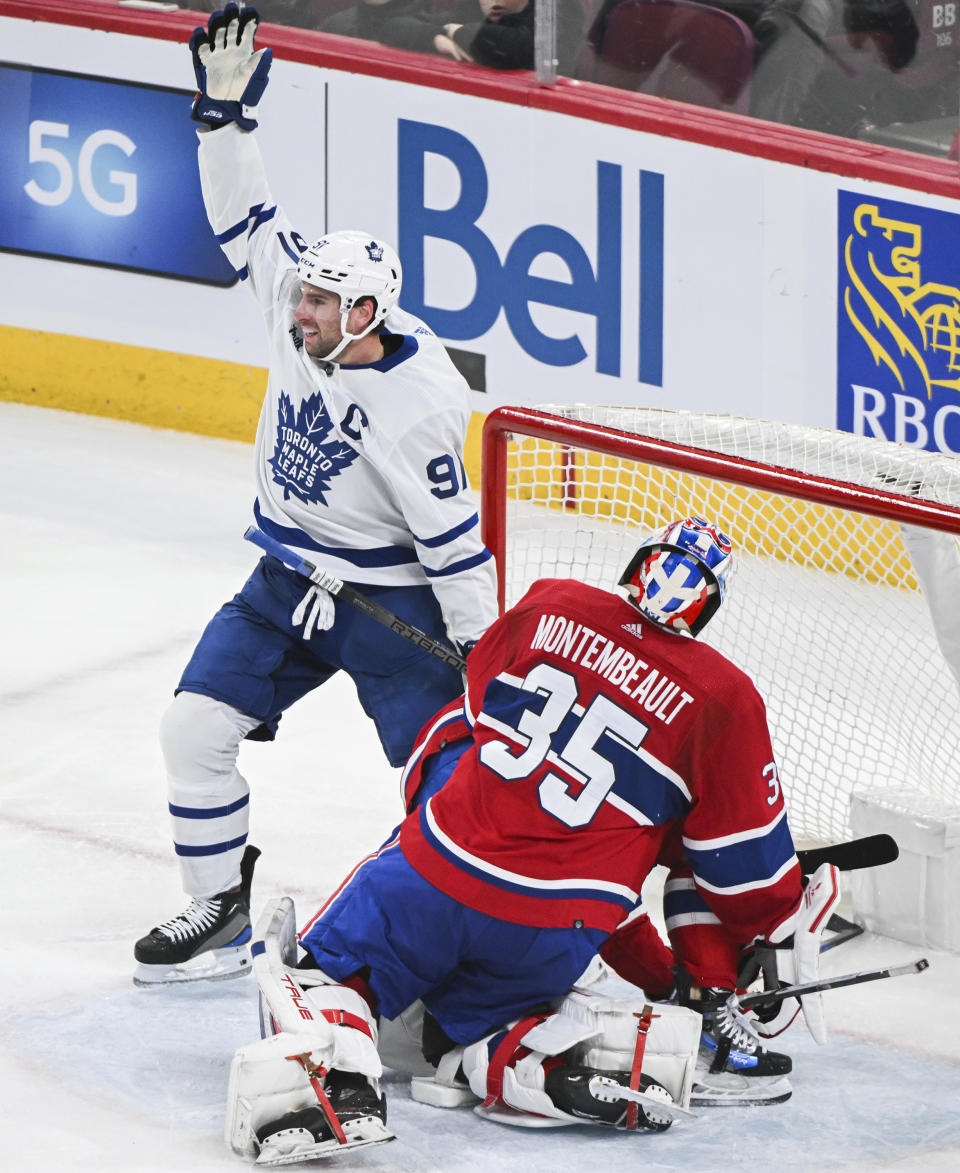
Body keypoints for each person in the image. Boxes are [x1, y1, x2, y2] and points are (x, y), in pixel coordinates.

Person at [222, 517, 842, 1162]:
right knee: (486, 1013)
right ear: (707, 603)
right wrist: (756, 929)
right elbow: (746, 875)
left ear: (640, 566)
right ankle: (519, 1060)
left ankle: (336, 1079)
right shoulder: (727, 698)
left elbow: (450, 742)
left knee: (326, 975)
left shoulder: (549, 602)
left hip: (435, 878)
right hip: (559, 929)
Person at [133, 5, 498, 987]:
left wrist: (480, 649)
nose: (300, 314)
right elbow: (243, 217)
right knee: (193, 731)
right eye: (303, 298)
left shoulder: (419, 404)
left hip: (391, 606)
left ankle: (468, 936)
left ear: (368, 313)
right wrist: (222, 120)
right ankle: (216, 902)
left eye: (321, 305)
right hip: (285, 581)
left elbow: (455, 544)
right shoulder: (298, 302)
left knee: (452, 787)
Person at [323, 0, 586, 77]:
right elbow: (394, 28)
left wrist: (456, 31)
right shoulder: (471, 9)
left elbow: (514, 49)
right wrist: (436, 36)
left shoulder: (559, 9)